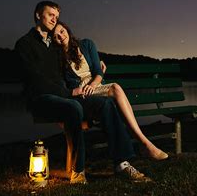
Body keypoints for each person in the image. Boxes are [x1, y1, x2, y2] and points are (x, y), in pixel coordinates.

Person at [15, 0, 151, 184]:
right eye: (50, 15)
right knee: (73, 107)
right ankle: (78, 172)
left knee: (106, 104)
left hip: (64, 97)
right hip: (42, 99)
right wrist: (71, 93)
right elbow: (37, 82)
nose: (54, 19)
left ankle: (122, 163)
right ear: (38, 15)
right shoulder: (25, 44)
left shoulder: (55, 47)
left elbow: (73, 56)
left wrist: (98, 63)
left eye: (56, 16)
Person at [54, 22, 168, 160]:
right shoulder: (57, 58)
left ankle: (143, 144)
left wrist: (94, 85)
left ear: (67, 29)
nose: (61, 36)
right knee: (114, 91)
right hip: (82, 94)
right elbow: (62, 86)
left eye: (61, 30)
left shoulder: (86, 44)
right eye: (56, 36)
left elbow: (98, 71)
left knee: (115, 89)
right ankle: (144, 144)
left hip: (95, 86)